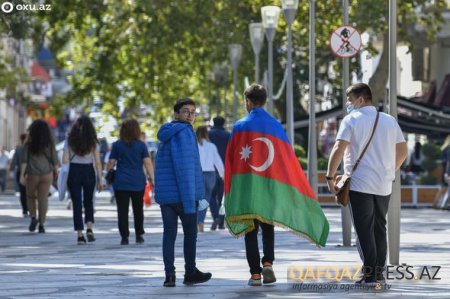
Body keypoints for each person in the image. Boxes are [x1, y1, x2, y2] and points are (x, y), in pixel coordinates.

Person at [225, 84, 329, 286]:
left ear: (248, 101)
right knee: (268, 225)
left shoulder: (239, 126)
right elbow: (286, 159)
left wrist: (230, 189)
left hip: (247, 187)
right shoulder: (275, 126)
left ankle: (255, 275)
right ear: (264, 101)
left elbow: (230, 159)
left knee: (250, 231)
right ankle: (268, 263)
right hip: (270, 186)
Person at [326, 83, 408, 284]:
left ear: (361, 100)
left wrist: (330, 176)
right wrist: (390, 170)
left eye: (350, 99)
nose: (348, 103)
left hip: (359, 184)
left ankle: (371, 273)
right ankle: (377, 272)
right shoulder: (389, 121)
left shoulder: (351, 120)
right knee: (380, 227)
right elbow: (403, 151)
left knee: (364, 229)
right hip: (384, 184)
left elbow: (339, 147)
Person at [154, 98, 212, 287]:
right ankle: (190, 272)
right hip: (184, 195)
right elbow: (185, 168)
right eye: (186, 111)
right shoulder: (186, 132)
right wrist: (189, 201)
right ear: (177, 114)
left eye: (193, 112)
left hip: (167, 197)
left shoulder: (166, 134)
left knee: (168, 235)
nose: (190, 115)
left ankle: (169, 275)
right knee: (190, 234)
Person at [106, 119, 154, 245]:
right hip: (138, 181)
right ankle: (139, 234)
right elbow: (147, 162)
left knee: (122, 210)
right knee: (138, 209)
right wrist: (153, 178)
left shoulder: (117, 145)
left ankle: (124, 236)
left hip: (121, 182)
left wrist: (107, 175)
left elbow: (111, 162)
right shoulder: (141, 145)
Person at [63, 116, 103, 244]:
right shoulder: (93, 142)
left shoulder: (69, 141)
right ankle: (90, 228)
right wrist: (100, 180)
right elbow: (97, 163)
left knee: (76, 203)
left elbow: (65, 160)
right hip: (88, 171)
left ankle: (80, 235)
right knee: (88, 201)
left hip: (74, 171)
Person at [20, 119, 59, 233]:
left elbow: (24, 161)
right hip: (47, 174)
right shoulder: (49, 144)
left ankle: (33, 217)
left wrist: (22, 175)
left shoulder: (28, 144)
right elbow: (55, 160)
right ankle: (41, 224)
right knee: (43, 199)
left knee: (30, 197)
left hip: (32, 174)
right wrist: (56, 172)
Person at [196, 126, 224, 232]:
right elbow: (218, 161)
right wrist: (223, 175)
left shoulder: (194, 146)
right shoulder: (212, 146)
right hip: (210, 175)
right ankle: (201, 222)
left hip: (197, 174)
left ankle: (197, 221)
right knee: (205, 200)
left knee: (196, 199)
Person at [208, 116, 230, 230]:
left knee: (211, 195)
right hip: (225, 169)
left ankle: (215, 216)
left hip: (210, 169)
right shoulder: (227, 135)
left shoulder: (208, 134)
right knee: (222, 197)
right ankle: (221, 221)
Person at [9, 134, 28, 216]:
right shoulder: (30, 148)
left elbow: (14, 161)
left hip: (20, 172)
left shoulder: (18, 149)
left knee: (22, 192)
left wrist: (11, 170)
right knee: (29, 191)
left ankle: (25, 209)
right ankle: (30, 208)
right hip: (31, 172)